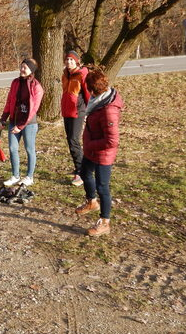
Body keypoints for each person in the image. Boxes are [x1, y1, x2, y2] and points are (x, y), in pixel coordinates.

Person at [74, 69, 124, 236]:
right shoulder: (98, 101)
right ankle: (91, 202)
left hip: (103, 153)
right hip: (92, 149)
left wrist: (91, 145)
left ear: (93, 89)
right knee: (84, 173)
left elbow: (112, 141)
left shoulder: (109, 110)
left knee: (103, 187)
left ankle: (105, 222)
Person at [0, 58, 44, 187]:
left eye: (25, 67)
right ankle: (15, 176)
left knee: (29, 150)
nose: (22, 69)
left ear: (31, 70)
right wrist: (3, 118)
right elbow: (9, 101)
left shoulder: (37, 86)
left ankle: (29, 177)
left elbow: (33, 109)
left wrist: (21, 126)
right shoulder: (15, 83)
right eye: (21, 66)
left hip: (28, 124)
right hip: (14, 121)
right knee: (13, 148)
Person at [61, 50, 90, 186]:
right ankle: (80, 168)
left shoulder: (82, 74)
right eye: (67, 60)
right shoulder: (65, 74)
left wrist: (89, 112)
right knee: (70, 141)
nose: (69, 62)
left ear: (77, 61)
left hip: (78, 112)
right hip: (67, 112)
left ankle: (81, 172)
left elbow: (88, 94)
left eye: (72, 60)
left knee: (74, 141)